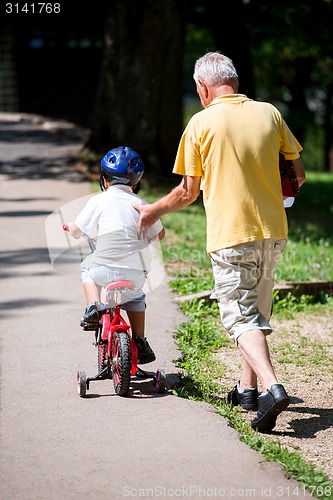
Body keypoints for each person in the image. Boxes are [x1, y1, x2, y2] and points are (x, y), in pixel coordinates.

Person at [134, 51, 306, 431]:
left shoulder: (200, 122)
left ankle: (272, 387)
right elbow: (299, 173)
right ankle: (247, 389)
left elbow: (186, 192)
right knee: (256, 313)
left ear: (202, 87)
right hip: (273, 231)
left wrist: (151, 212)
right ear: (236, 82)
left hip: (232, 236)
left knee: (239, 317)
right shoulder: (269, 113)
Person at [64, 146, 165, 364]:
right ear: (136, 183)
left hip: (103, 270)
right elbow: (160, 235)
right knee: (136, 296)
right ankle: (139, 340)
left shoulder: (98, 201)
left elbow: (77, 231)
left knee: (87, 268)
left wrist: (70, 226)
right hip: (136, 273)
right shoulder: (143, 205)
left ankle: (93, 307)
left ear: (104, 180)